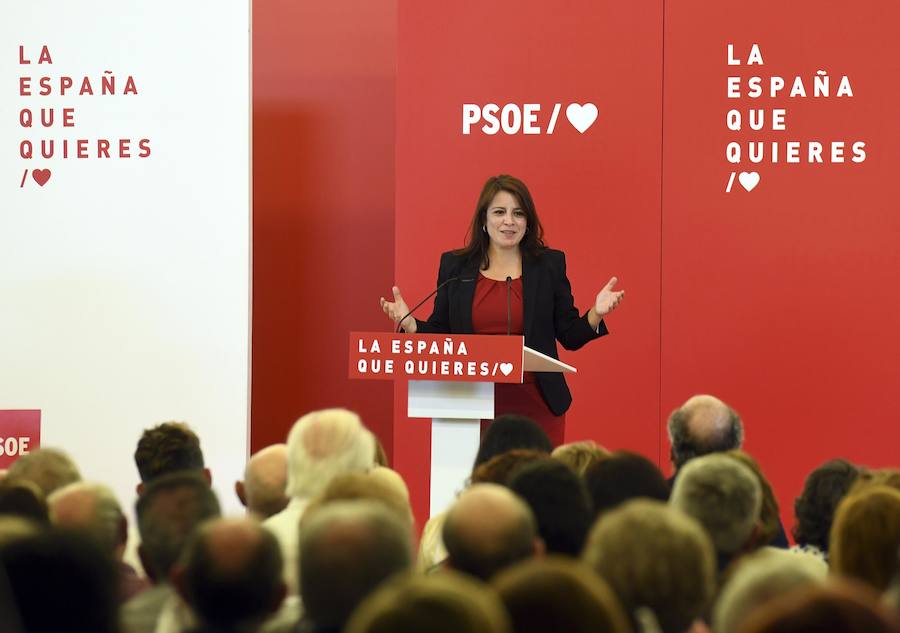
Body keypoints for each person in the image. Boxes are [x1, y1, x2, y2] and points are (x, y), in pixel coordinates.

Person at [380, 175, 624, 444]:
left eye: (518, 214)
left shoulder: (548, 266)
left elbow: (569, 334)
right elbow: (443, 333)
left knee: (536, 485)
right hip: (470, 403)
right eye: (499, 212)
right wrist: (412, 325)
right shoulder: (455, 267)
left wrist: (596, 313)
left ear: (527, 222)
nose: (509, 221)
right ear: (483, 220)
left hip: (536, 404)